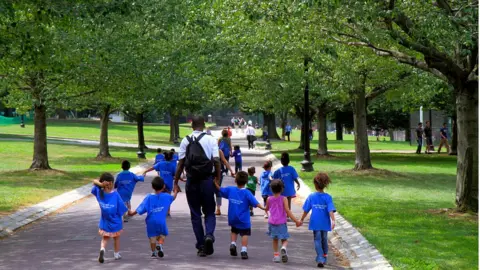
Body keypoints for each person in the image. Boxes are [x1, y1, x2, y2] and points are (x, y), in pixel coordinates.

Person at [174, 116, 221, 257]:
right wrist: (217, 178)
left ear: (192, 125)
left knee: (195, 214)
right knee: (210, 212)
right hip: (207, 180)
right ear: (204, 124)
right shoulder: (211, 140)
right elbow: (217, 161)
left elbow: (181, 163)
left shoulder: (185, 140)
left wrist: (175, 181)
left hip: (191, 181)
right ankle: (209, 235)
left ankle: (201, 245)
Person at [214, 171, 266, 260]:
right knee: (244, 234)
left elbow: (220, 190)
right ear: (246, 182)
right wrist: (264, 208)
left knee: (234, 231)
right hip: (243, 219)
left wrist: (215, 183)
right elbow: (255, 203)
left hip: (232, 217)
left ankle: (233, 244)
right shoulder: (247, 193)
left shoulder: (230, 190)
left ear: (235, 181)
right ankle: (244, 250)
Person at [128, 176, 178, 258]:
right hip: (161, 221)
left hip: (151, 222)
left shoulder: (149, 197)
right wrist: (176, 191)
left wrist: (131, 213)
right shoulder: (166, 196)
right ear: (164, 186)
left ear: (152, 187)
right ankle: (160, 245)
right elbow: (173, 197)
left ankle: (154, 252)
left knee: (152, 238)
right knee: (163, 234)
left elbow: (141, 208)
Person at [300, 173, 336, 268]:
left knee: (317, 240)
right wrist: (333, 220)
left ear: (315, 185)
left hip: (315, 223)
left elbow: (306, 210)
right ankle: (324, 256)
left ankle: (320, 257)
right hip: (325, 223)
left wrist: (301, 219)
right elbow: (330, 210)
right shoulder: (328, 197)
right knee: (324, 239)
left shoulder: (312, 196)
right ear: (325, 185)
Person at [92, 173, 128, 263]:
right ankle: (116, 254)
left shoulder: (99, 192)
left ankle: (102, 249)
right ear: (111, 183)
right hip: (115, 222)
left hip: (105, 222)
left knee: (105, 238)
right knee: (116, 238)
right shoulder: (115, 195)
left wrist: (100, 185)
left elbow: (93, 181)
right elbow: (122, 208)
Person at [265, 180, 302, 263]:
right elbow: (288, 211)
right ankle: (283, 248)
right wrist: (296, 221)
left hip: (272, 222)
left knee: (275, 239)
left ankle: (276, 256)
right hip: (281, 223)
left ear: (271, 189)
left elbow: (266, 208)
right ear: (282, 189)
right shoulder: (284, 199)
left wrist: (265, 211)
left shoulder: (269, 198)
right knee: (284, 239)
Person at [216, 149, 236, 216]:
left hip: (208, 172)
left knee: (207, 190)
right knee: (218, 190)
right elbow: (224, 161)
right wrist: (231, 171)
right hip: (218, 172)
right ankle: (218, 208)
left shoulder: (205, 149)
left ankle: (207, 208)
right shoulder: (218, 150)